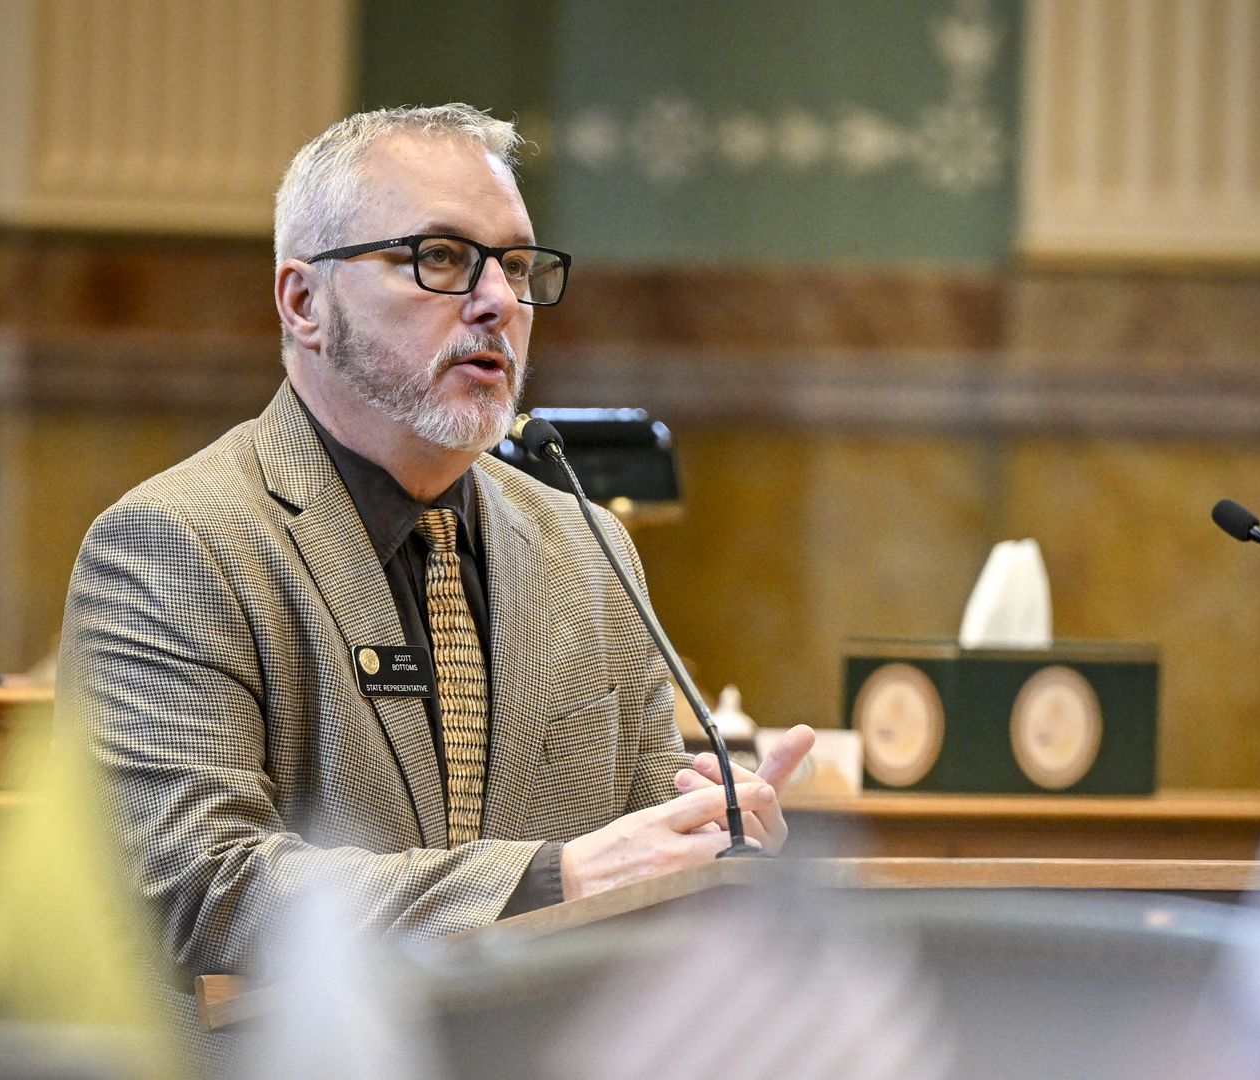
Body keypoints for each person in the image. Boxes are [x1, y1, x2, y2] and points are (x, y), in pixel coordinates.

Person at [57, 103, 813, 982]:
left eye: (518, 266)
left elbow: (644, 859)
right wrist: (550, 881)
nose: (499, 301)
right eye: (441, 258)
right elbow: (193, 891)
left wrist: (715, 844)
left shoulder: (588, 548)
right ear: (304, 301)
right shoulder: (177, 544)